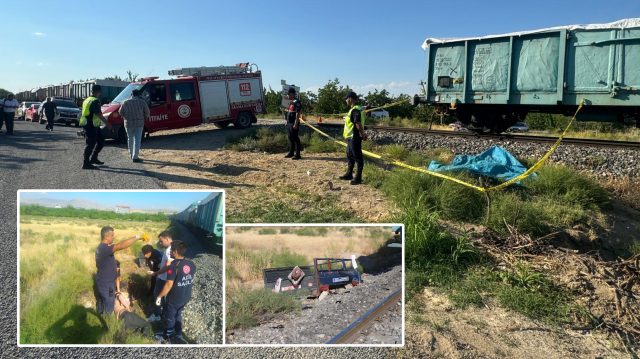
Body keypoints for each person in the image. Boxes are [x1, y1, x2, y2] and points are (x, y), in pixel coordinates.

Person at [95, 226, 148, 315]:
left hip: (102, 280)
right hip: (106, 283)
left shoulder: (100, 247)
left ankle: (99, 314)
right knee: (109, 304)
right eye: (112, 235)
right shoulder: (105, 247)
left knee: (102, 299)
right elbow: (121, 246)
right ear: (105, 237)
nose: (114, 237)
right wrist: (137, 237)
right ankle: (106, 323)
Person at [154, 240, 196, 344]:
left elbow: (168, 285)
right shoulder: (191, 264)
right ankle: (178, 333)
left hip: (174, 299)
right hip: (185, 297)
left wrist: (159, 297)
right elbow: (192, 280)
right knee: (178, 314)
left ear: (175, 252)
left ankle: (166, 337)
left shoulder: (173, 266)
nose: (171, 251)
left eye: (172, 250)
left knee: (169, 318)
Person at [80, 85, 114, 169]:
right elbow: (99, 114)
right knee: (90, 144)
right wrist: (107, 123)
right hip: (91, 125)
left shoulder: (87, 100)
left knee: (101, 142)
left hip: (92, 125)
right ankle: (86, 163)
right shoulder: (95, 101)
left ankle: (94, 158)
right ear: (99, 91)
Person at [339, 91, 367, 185]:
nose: (346, 101)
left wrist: (363, 134)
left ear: (350, 99)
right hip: (350, 138)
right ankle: (349, 174)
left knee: (357, 157)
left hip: (354, 137)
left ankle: (358, 177)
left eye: (346, 99)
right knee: (350, 156)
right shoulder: (353, 110)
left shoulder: (355, 110)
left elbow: (358, 124)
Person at [146, 231, 173, 323]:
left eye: (161, 241)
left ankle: (157, 315)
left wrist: (155, 273)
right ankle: (165, 313)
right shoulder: (174, 248)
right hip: (168, 278)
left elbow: (167, 266)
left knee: (158, 296)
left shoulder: (169, 250)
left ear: (167, 239)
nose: (160, 243)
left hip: (163, 278)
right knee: (165, 298)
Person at [119, 89, 149, 163]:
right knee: (137, 140)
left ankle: (131, 154)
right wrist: (144, 118)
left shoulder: (125, 102)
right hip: (139, 123)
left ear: (131, 94)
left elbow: (120, 112)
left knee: (130, 139)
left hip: (128, 123)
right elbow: (147, 112)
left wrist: (125, 117)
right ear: (138, 94)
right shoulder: (142, 102)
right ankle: (135, 157)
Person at [142, 244, 163, 321]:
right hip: (155, 265)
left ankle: (158, 296)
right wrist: (152, 271)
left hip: (161, 265)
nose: (145, 255)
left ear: (150, 252)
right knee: (153, 279)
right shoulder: (147, 253)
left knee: (158, 281)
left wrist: (157, 274)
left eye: (146, 254)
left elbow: (162, 267)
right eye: (144, 254)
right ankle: (151, 293)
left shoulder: (158, 255)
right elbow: (148, 260)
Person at [283, 87, 302, 160]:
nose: (287, 96)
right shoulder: (291, 102)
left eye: (288, 94)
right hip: (289, 122)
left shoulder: (297, 102)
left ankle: (298, 154)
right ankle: (291, 152)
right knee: (290, 137)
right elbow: (289, 112)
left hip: (294, 123)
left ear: (291, 94)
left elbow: (297, 114)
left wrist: (296, 124)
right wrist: (287, 122)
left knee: (295, 138)